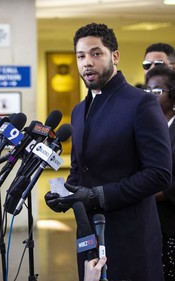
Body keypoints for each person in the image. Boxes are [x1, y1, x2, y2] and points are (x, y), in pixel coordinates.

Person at [44, 23, 172, 281]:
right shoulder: (79, 110)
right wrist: (64, 194)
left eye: (96, 53)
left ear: (115, 56)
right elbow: (79, 169)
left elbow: (159, 174)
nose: (87, 63)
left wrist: (98, 195)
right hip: (89, 234)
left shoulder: (141, 103)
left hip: (130, 236)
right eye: (81, 56)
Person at [145, 65, 175, 281]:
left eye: (157, 91)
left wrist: (139, 193)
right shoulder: (147, 128)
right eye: (147, 91)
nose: (150, 96)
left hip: (171, 222)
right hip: (148, 220)